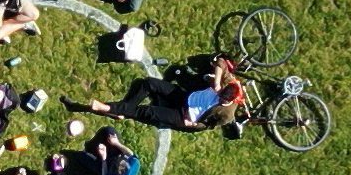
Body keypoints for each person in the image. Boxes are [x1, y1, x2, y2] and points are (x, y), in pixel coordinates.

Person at [63, 58, 244, 131]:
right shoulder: (228, 83)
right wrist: (218, 82)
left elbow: (207, 125)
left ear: (231, 101)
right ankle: (122, 110)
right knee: (149, 83)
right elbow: (221, 62)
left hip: (184, 116)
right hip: (183, 98)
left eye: (224, 98)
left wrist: (193, 124)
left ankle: (107, 107)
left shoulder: (226, 115)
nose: (220, 96)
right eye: (222, 93)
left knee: (146, 112)